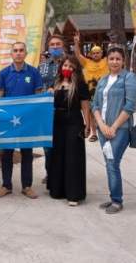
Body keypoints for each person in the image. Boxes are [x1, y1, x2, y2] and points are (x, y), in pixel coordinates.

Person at [92, 47, 136, 214]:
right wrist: (102, 125)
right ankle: (114, 195)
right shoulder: (103, 80)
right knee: (109, 163)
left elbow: (130, 105)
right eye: (111, 58)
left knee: (112, 163)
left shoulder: (129, 78)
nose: (114, 61)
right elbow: (95, 105)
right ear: (107, 60)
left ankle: (117, 201)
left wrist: (113, 127)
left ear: (123, 61)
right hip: (103, 129)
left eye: (118, 59)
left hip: (119, 129)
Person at [0, 42, 43, 199]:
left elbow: (38, 97)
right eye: (15, 50)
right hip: (9, 121)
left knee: (26, 153)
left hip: (27, 121)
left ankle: (27, 186)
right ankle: (6, 185)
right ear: (11, 54)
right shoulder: (3, 74)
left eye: (21, 50)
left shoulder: (34, 73)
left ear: (26, 53)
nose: (18, 53)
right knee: (6, 153)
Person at [47, 55, 91, 206]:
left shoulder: (80, 85)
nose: (67, 68)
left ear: (76, 69)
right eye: (65, 65)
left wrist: (87, 124)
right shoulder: (56, 84)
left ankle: (74, 194)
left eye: (71, 66)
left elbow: (85, 106)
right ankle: (57, 190)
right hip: (57, 123)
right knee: (58, 155)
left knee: (73, 157)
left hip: (74, 121)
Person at [38, 34, 68, 184]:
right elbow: (37, 86)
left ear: (63, 46)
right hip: (45, 111)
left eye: (58, 44)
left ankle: (62, 174)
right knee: (47, 146)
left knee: (63, 145)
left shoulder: (70, 64)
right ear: (48, 48)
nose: (55, 47)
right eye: (52, 44)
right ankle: (50, 173)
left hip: (64, 110)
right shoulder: (42, 66)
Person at [74, 32, 108, 142]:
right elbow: (78, 55)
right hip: (90, 92)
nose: (96, 55)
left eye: (98, 53)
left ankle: (105, 131)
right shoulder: (86, 62)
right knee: (91, 113)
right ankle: (94, 133)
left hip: (105, 91)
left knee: (105, 112)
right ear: (90, 54)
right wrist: (76, 43)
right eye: (94, 53)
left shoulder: (106, 61)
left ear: (102, 53)